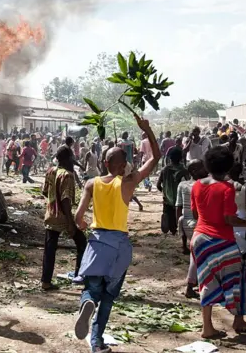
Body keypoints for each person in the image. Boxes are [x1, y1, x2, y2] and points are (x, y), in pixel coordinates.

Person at [73, 115, 160, 352]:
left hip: (97, 243)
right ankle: (97, 342)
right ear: (123, 166)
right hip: (119, 247)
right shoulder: (128, 182)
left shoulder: (91, 184)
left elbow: (78, 217)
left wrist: (84, 224)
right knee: (109, 298)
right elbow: (155, 157)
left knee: (91, 290)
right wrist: (147, 130)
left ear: (103, 162)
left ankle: (88, 302)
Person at [191, 147, 246, 338]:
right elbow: (229, 219)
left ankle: (207, 327)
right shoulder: (227, 188)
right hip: (221, 240)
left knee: (206, 280)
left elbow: (196, 214)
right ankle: (239, 321)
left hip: (199, 240)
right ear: (228, 166)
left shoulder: (197, 185)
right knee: (239, 277)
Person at [41, 146, 88, 291]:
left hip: (50, 215)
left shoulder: (50, 171)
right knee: (82, 243)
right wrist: (70, 222)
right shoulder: (67, 175)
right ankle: (79, 276)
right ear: (67, 159)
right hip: (63, 217)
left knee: (49, 249)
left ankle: (46, 281)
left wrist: (52, 201)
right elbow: (66, 199)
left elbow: (44, 191)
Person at [176, 160, 209, 299]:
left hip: (186, 223)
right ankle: (191, 286)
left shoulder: (182, 185)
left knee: (196, 254)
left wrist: (179, 226)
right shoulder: (202, 185)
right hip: (198, 223)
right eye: (202, 167)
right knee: (199, 255)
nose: (205, 169)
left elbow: (178, 207)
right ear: (194, 171)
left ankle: (196, 284)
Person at [157, 147, 189, 235]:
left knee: (168, 215)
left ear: (170, 158)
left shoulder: (164, 170)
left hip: (167, 199)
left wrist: (164, 192)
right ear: (181, 158)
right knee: (178, 215)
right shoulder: (184, 170)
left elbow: (158, 185)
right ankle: (177, 230)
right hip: (180, 199)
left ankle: (171, 228)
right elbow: (189, 183)